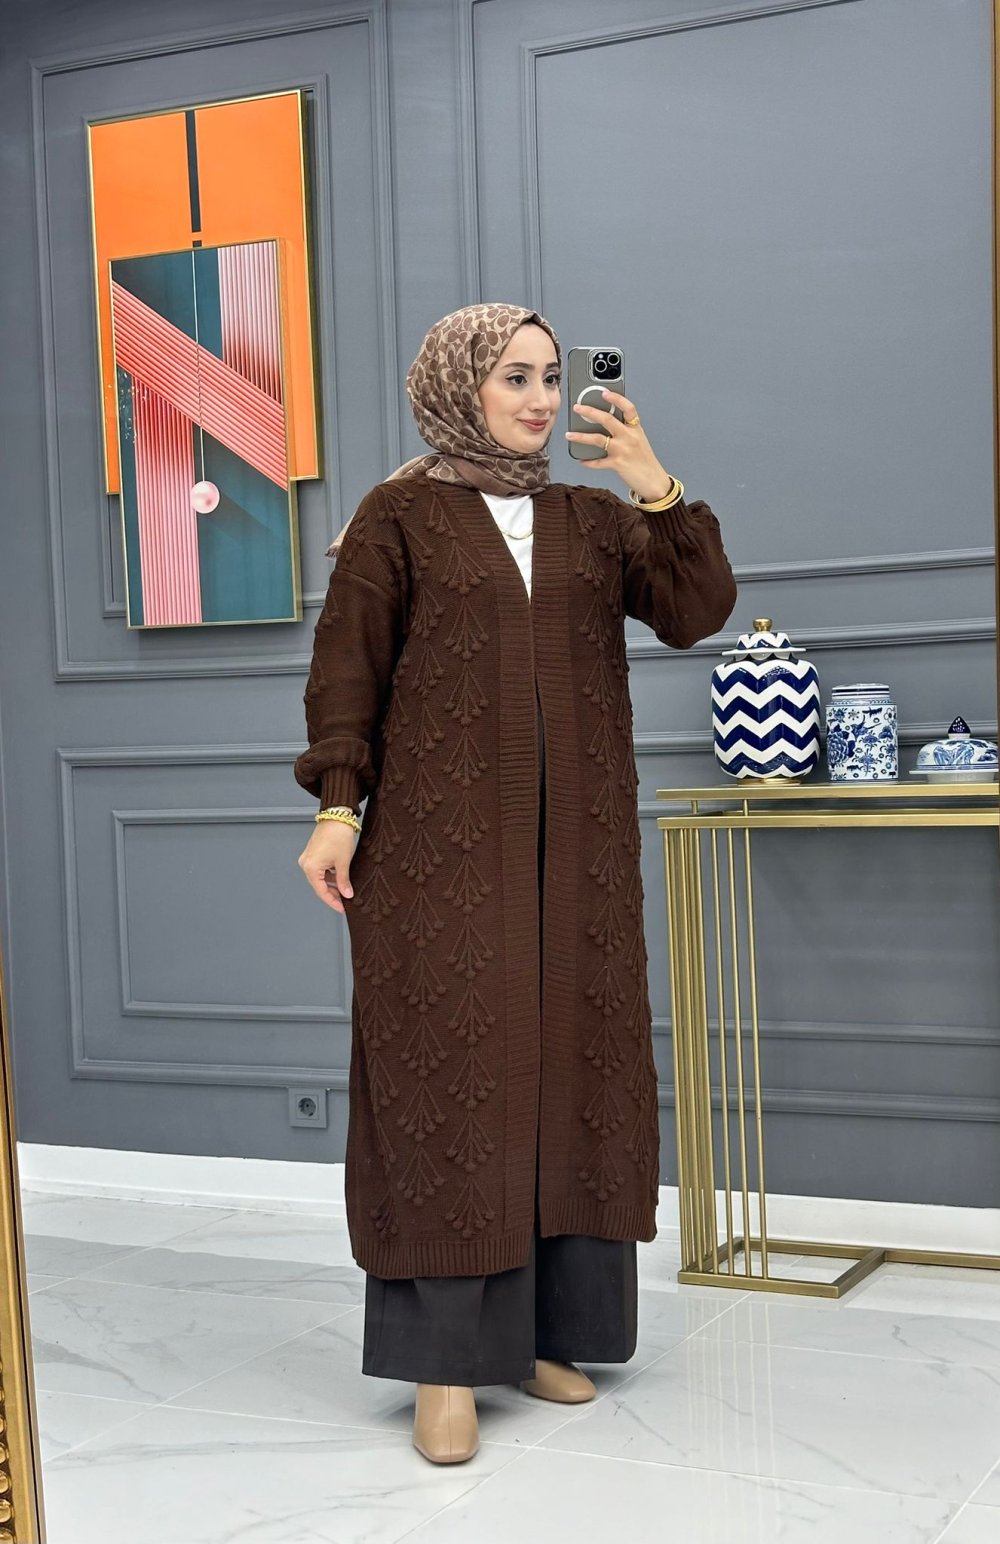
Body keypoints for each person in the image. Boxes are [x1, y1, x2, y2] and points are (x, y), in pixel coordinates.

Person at [295, 303, 736, 1465]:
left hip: (578, 865)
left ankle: (543, 1333)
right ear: (458, 387)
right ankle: (447, 1361)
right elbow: (347, 667)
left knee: (566, 1074)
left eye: (550, 376)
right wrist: (338, 806)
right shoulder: (396, 517)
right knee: (450, 1082)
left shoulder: (594, 521)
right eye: (514, 378)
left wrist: (653, 482)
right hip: (437, 859)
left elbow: (694, 612)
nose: (540, 399)